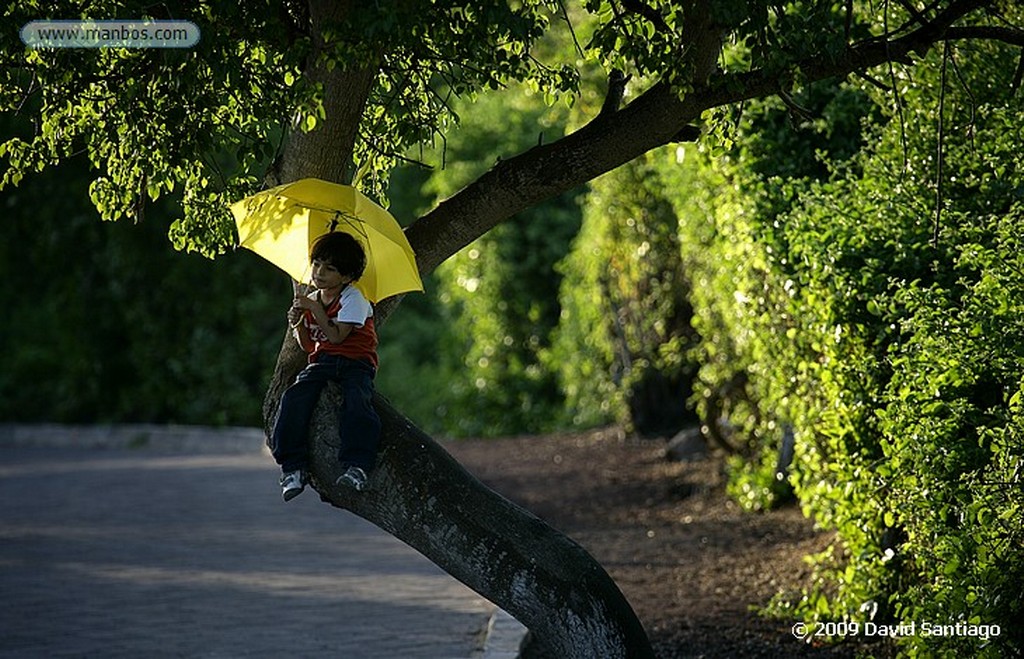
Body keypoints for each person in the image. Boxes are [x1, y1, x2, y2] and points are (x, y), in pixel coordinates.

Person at [270, 231, 382, 501]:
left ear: (345, 277)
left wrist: (312, 307)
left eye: (329, 268)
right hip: (323, 362)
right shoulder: (314, 298)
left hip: (356, 363)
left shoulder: (353, 298)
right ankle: (292, 468)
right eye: (317, 264)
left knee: (357, 403)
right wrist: (297, 322)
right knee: (294, 397)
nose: (319, 272)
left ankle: (357, 466)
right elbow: (310, 346)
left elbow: (336, 336)